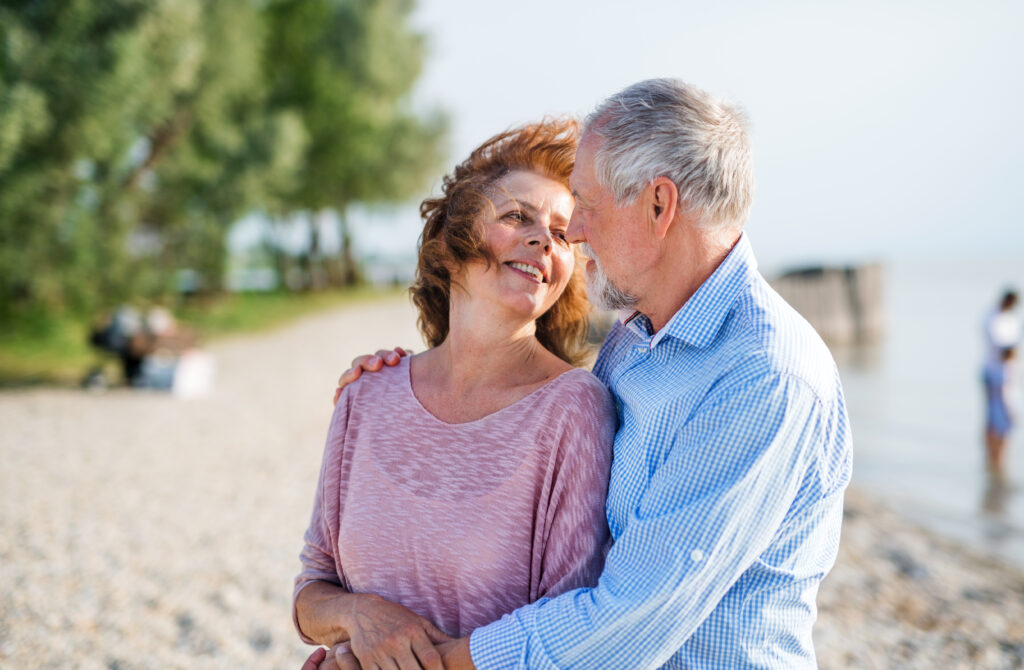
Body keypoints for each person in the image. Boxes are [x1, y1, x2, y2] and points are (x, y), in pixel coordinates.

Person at [315, 78, 853, 670]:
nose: (572, 234)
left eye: (585, 206)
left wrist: (412, 661)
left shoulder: (765, 374)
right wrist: (390, 389)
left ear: (659, 205)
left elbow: (630, 618)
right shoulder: (636, 339)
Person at [293, 120, 616, 670]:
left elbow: (565, 634)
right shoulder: (365, 395)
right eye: (516, 216)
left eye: (562, 233)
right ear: (449, 243)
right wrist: (360, 616)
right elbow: (311, 595)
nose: (543, 238)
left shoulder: (573, 409)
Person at [983, 346, 1016, 474]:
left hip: (994, 405)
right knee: (1002, 436)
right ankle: (998, 464)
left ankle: (994, 464)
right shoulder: (1006, 371)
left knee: (993, 433)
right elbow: (1006, 394)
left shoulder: (996, 370)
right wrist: (1010, 412)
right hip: (1001, 407)